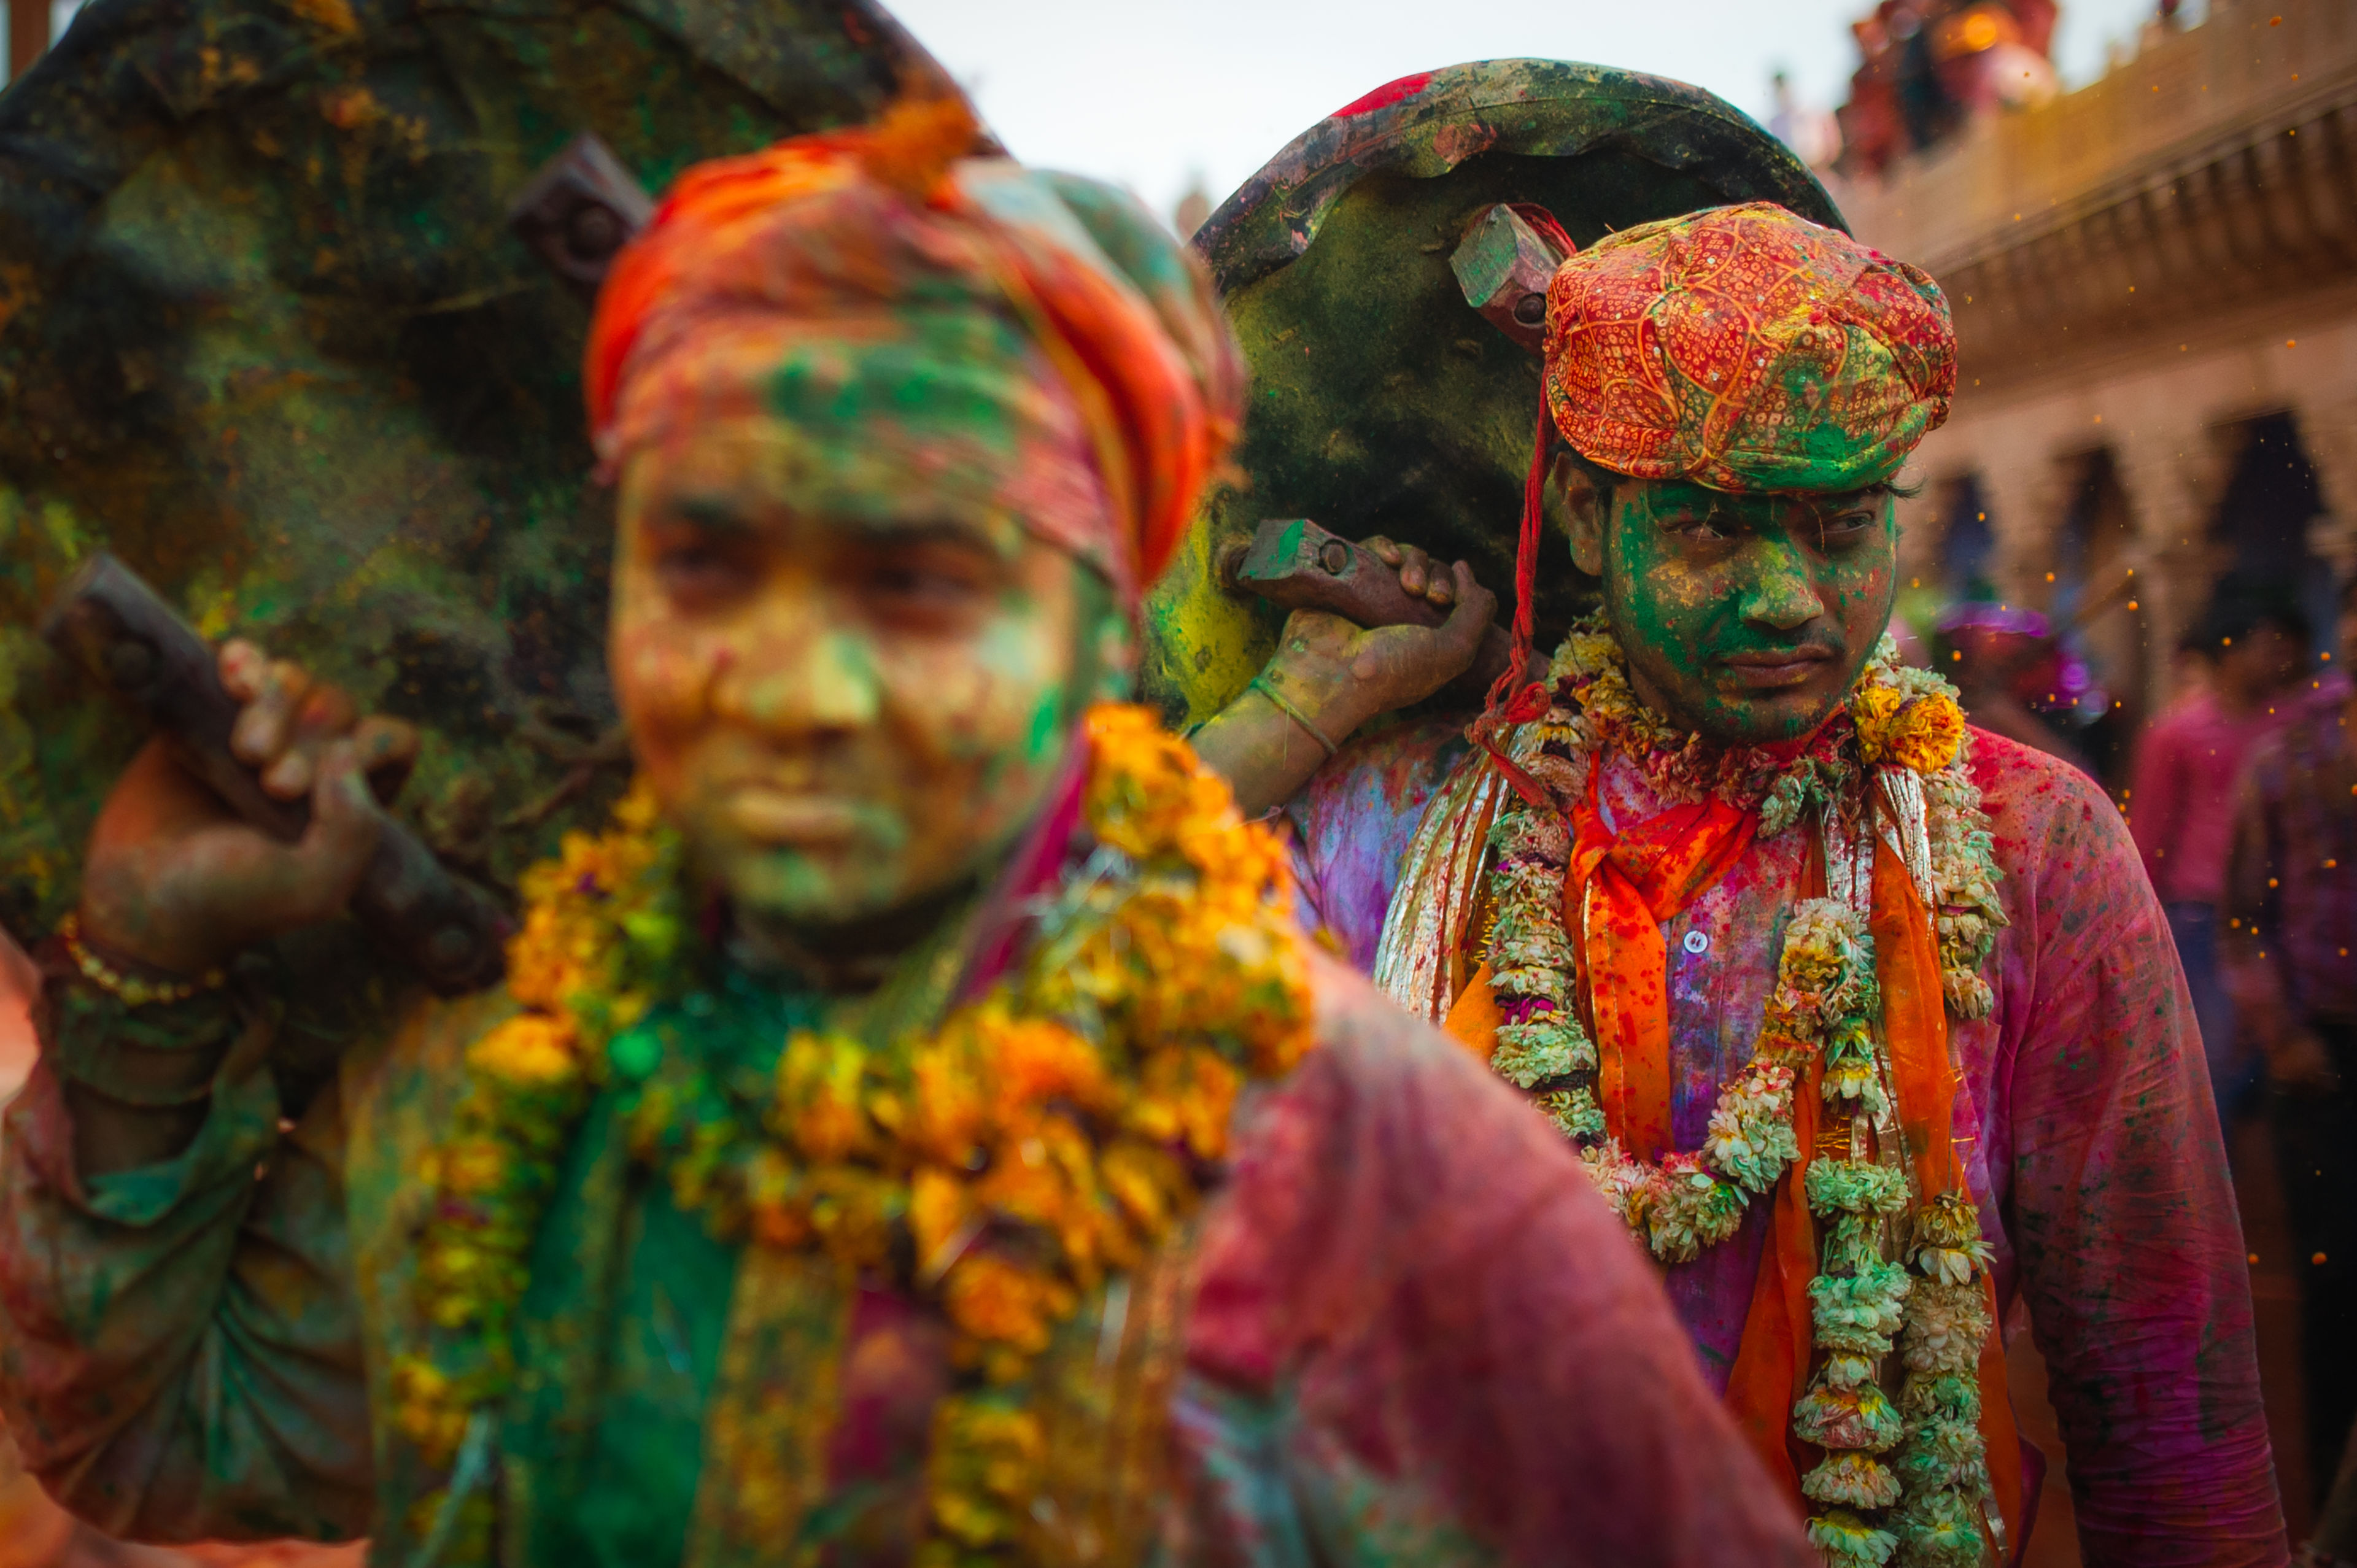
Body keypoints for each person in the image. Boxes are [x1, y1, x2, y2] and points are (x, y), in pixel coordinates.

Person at [0, 101, 1814, 1568]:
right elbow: (172, 1435)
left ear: (1099, 630)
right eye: (708, 560)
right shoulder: (520, 1079)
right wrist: (146, 965)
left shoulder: (1372, 1171)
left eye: (918, 580)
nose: (800, 680)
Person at [1190, 202, 2285, 1564]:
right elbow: (1052, 950)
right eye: (1712, 532)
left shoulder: (2028, 844)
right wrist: (1308, 699)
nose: (1785, 596)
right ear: (1586, 516)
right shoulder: (1403, 819)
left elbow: (2171, 1407)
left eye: (1836, 529)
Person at [2222, 576, 2357, 1523]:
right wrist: (2280, 1034)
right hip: (2328, 1052)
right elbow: (2241, 914)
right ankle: (2330, 1522)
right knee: (2338, 1285)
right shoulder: (2291, 758)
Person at [2134, 587, 2314, 1120]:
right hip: (2201, 915)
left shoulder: (2296, 726)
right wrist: (2144, 926)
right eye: (2265, 644)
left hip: (2282, 912)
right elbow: (2152, 832)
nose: (2278, 657)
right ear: (2228, 650)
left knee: (2285, 1064)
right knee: (2212, 1070)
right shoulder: (2178, 731)